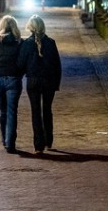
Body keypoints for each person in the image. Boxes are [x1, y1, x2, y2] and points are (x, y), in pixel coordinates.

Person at [18, 13, 62, 154]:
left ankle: (38, 145)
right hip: (48, 80)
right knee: (47, 110)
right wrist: (56, 83)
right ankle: (49, 141)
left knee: (35, 111)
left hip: (33, 81)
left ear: (30, 28)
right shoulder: (51, 43)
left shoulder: (26, 44)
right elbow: (57, 65)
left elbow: (20, 64)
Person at [0, 14, 24, 153]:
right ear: (15, 27)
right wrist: (19, 72)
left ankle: (4, 139)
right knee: (12, 111)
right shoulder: (19, 42)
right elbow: (23, 61)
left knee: (3, 110)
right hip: (14, 79)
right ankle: (10, 143)